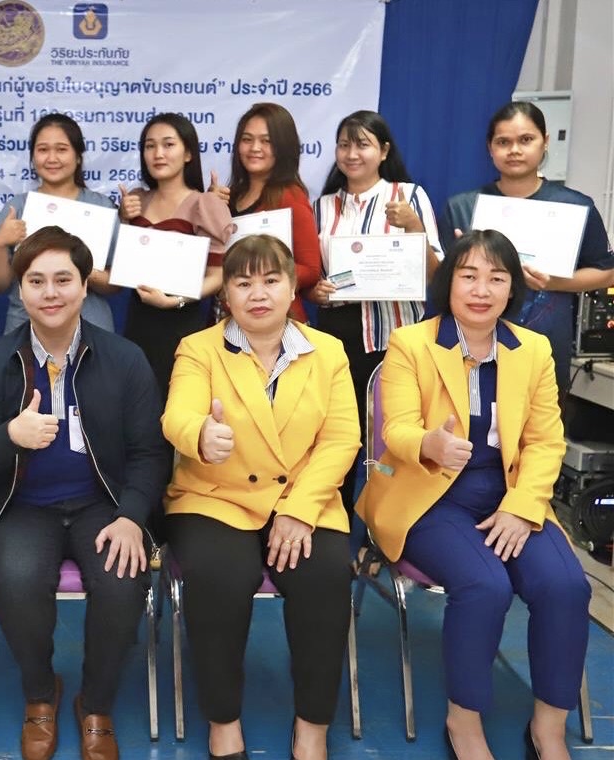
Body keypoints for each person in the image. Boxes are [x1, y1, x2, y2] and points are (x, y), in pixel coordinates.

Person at [357, 230, 590, 760]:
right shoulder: (410, 343)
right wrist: (430, 443)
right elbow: (394, 432)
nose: (481, 289)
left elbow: (546, 439)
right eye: (468, 275)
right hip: (428, 495)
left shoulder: (532, 350)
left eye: (496, 278)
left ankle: (548, 729)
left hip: (507, 493)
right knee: (485, 586)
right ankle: (464, 723)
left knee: (565, 586)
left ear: (513, 290)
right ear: (449, 282)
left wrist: (521, 506)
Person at [0, 226, 172, 760]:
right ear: (20, 291)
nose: (50, 293)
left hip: (105, 505)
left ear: (84, 286)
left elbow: (150, 453)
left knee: (125, 579)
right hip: (22, 507)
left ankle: (95, 703)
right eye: (36, 280)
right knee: (20, 578)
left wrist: (131, 517)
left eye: (63, 279)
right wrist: (9, 437)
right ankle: (40, 692)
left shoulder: (125, 359)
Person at [162, 235, 359, 760]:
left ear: (293, 287)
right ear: (224, 293)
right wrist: (201, 434)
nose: (258, 293)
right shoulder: (198, 348)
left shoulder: (329, 353)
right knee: (220, 576)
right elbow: (176, 416)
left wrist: (299, 510)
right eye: (243, 282)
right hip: (215, 497)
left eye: (271, 280)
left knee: (326, 574)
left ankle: (312, 726)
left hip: (304, 499)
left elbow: (342, 440)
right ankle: (224, 721)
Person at [308, 110, 442, 509]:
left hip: (393, 335)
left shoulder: (409, 196)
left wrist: (414, 226)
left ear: (383, 151)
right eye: (345, 144)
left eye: (362, 144)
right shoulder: (322, 206)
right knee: (341, 435)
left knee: (390, 437)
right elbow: (310, 275)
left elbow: (438, 274)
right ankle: (340, 525)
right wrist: (316, 291)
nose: (352, 154)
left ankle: (386, 527)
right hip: (337, 333)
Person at [443, 101, 614, 399]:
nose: (514, 150)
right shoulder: (464, 207)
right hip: (471, 347)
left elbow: (606, 273)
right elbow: (441, 282)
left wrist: (555, 282)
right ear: (490, 147)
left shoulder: (574, 206)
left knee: (539, 436)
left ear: (544, 142)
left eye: (526, 140)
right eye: (503, 142)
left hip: (545, 342)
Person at [118, 112, 233, 395]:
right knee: (137, 405)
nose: (158, 153)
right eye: (150, 145)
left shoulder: (205, 203)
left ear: (188, 154)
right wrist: (122, 219)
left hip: (184, 322)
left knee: (180, 407)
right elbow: (125, 261)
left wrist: (175, 301)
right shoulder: (135, 199)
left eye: (169, 144)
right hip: (138, 319)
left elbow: (219, 276)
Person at [0, 113, 118, 333]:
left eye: (62, 149)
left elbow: (115, 286)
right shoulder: (17, 207)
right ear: (33, 157)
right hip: (25, 328)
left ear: (78, 157)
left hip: (90, 327)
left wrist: (77, 267)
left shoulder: (100, 206)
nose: (52, 158)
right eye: (43, 150)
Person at [224, 102, 321, 324]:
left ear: (283, 147)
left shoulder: (291, 197)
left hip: (276, 322)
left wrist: (258, 275)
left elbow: (310, 269)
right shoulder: (230, 196)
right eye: (247, 139)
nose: (254, 148)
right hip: (230, 318)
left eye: (266, 141)